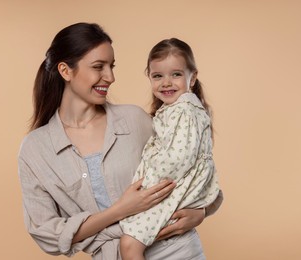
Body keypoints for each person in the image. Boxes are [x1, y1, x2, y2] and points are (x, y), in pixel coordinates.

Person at [18, 23, 223, 260]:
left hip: (177, 250)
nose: (110, 77)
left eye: (111, 66)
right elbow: (47, 234)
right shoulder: (35, 149)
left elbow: (196, 168)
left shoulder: (135, 120)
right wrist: (121, 210)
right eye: (98, 67)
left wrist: (202, 211)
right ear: (65, 71)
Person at [119, 38, 220, 260]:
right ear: (149, 77)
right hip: (175, 187)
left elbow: (178, 159)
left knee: (129, 244)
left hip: (170, 187)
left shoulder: (183, 111)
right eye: (158, 76)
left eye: (175, 74)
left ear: (192, 78)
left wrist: (148, 184)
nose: (166, 82)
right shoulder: (174, 109)